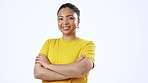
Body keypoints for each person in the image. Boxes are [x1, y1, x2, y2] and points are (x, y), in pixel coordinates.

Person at [34, 3, 96, 83]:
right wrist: (73, 71)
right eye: (60, 18)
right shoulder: (49, 43)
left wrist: (48, 66)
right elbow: (38, 73)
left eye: (70, 18)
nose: (65, 22)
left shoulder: (87, 45)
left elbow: (80, 70)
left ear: (78, 21)